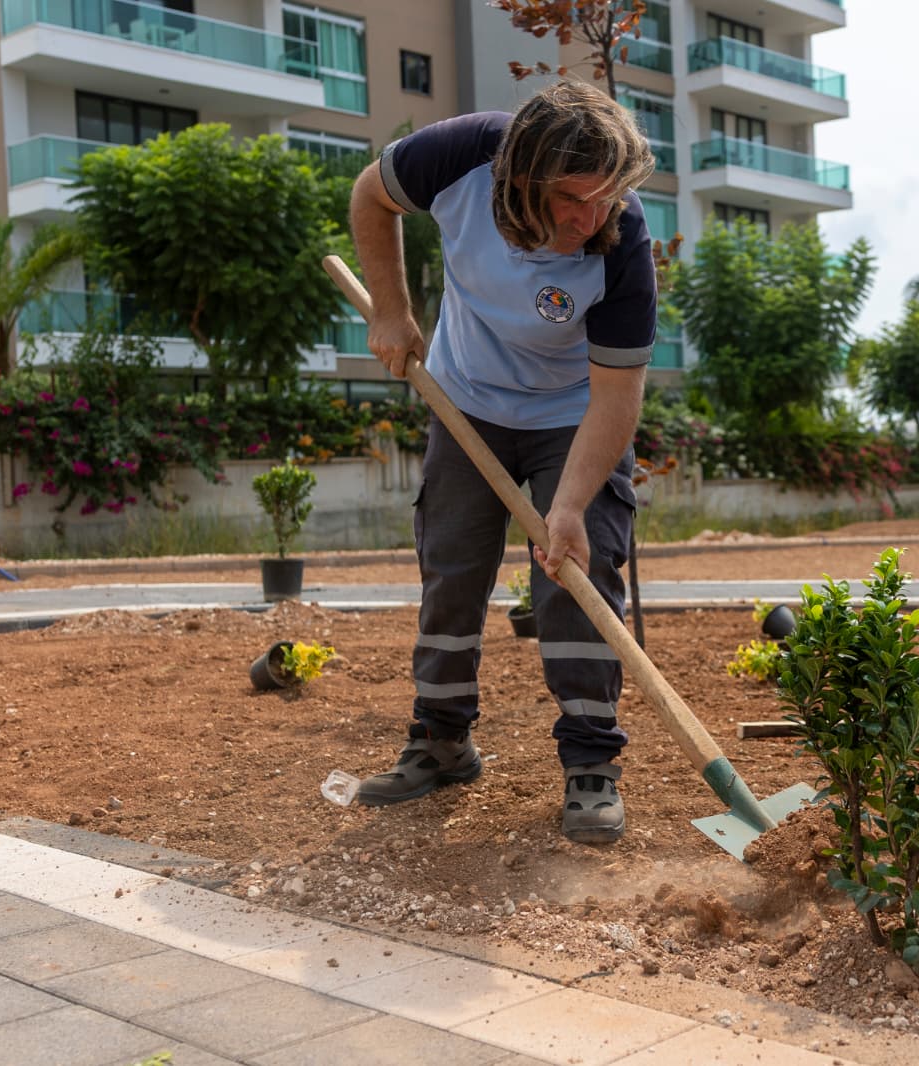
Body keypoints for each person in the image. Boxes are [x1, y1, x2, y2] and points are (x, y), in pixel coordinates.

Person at [346, 81, 657, 845]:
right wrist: (392, 309)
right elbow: (369, 196)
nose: (591, 220)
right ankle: (441, 742)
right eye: (571, 200)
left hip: (571, 418)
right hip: (466, 402)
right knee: (452, 572)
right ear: (517, 178)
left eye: (606, 199)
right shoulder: (457, 154)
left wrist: (573, 506)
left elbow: (617, 399)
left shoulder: (622, 242)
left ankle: (591, 765)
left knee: (577, 580)